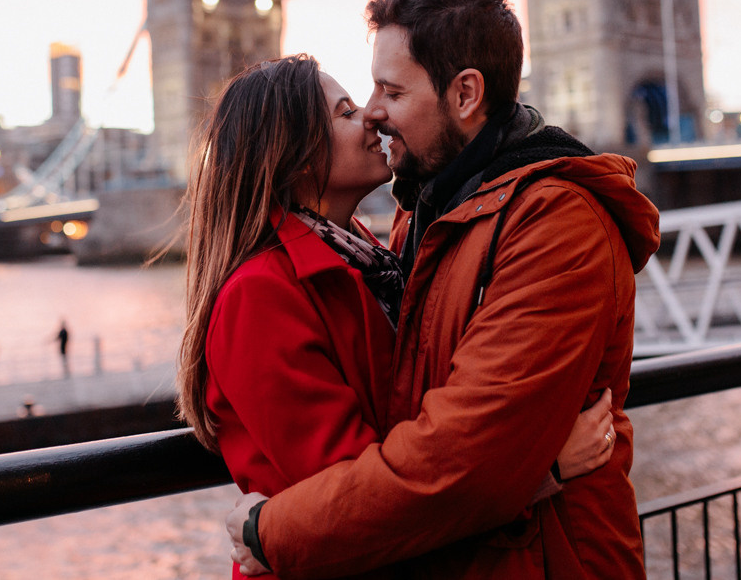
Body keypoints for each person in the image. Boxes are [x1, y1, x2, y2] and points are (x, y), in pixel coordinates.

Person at [228, 0, 661, 578]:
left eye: (392, 92)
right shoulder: (421, 220)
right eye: (362, 99)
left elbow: (463, 466)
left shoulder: (558, 223)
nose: (374, 114)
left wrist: (270, 530)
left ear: (465, 93)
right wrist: (543, 467)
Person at [178, 54, 618, 580]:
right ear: (294, 158)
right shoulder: (259, 297)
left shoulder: (372, 257)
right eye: (344, 113)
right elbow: (361, 501)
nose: (371, 116)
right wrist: (538, 468)